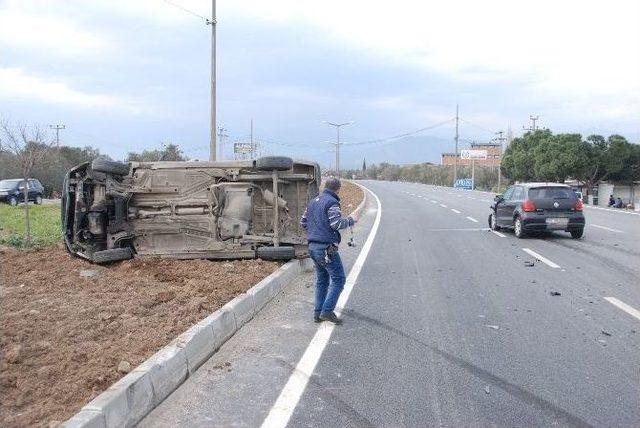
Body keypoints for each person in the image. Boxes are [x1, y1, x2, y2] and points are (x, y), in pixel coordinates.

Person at [300, 177, 356, 325]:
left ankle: (317, 313)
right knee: (339, 280)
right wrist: (350, 220)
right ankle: (327, 311)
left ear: (325, 187)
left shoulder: (313, 202)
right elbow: (336, 223)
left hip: (313, 248)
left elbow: (303, 222)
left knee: (322, 280)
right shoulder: (332, 203)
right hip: (326, 249)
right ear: (338, 189)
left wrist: (315, 232)